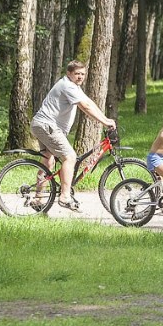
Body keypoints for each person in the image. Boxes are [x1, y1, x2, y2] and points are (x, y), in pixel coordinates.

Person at [30, 60, 116, 212]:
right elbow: (86, 107)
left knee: (48, 160)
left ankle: (38, 198)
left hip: (42, 124)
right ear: (69, 73)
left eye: (83, 74)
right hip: (47, 126)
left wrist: (105, 118)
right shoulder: (68, 86)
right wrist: (105, 122)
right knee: (69, 157)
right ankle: (64, 197)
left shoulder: (73, 86)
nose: (80, 77)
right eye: (77, 74)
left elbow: (89, 101)